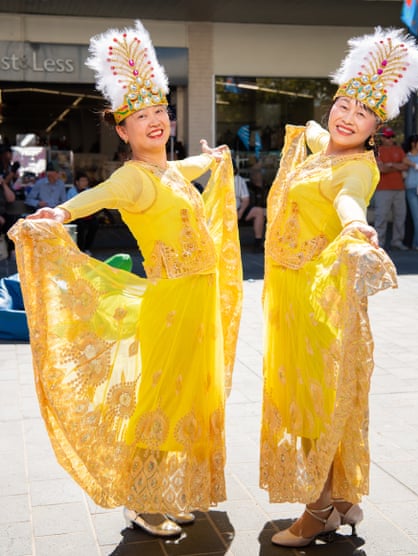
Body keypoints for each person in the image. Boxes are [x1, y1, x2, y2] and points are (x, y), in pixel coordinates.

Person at [9, 20, 242, 538]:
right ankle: (141, 498)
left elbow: (200, 164)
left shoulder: (172, 170)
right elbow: (97, 198)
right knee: (160, 398)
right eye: (141, 116)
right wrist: (61, 213)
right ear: (122, 129)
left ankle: (163, 491)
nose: (155, 121)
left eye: (160, 111)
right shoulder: (133, 176)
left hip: (199, 302)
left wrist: (217, 158)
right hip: (173, 302)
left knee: (189, 397)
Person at [260, 27, 418, 548]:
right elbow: (314, 130)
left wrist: (356, 225)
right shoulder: (324, 146)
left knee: (313, 403)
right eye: (345, 104)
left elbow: (349, 201)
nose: (348, 117)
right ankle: (341, 500)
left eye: (363, 113)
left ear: (376, 129)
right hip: (289, 296)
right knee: (310, 399)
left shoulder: (355, 168)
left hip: (314, 300)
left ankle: (317, 510)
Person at [374, 127, 409, 250]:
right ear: (382, 138)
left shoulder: (398, 149)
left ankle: (397, 241)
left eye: (392, 137)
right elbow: (381, 169)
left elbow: (406, 165)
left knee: (400, 216)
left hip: (399, 188)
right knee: (381, 217)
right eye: (388, 137)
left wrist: (391, 165)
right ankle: (378, 243)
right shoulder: (377, 150)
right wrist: (397, 166)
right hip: (383, 189)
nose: (390, 139)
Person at [233, 160, 265, 251]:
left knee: (259, 211)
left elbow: (245, 199)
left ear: (235, 170)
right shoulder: (217, 180)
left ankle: (258, 242)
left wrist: (241, 211)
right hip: (223, 211)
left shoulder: (239, 180)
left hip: (238, 209)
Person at [66, 172, 100, 254]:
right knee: (80, 226)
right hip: (75, 215)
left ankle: (87, 248)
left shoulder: (89, 191)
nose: (85, 183)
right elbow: (70, 204)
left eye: (86, 181)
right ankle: (80, 250)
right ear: (77, 182)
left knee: (95, 224)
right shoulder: (71, 191)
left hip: (87, 215)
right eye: (82, 181)